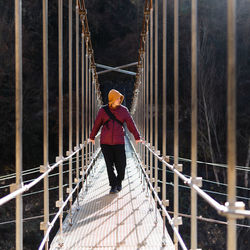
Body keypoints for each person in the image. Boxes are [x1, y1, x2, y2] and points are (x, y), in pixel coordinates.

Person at [89, 89, 142, 194]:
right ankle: (113, 186)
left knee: (121, 165)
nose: (120, 100)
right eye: (118, 98)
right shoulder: (103, 111)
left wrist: (137, 136)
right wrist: (92, 137)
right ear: (112, 99)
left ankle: (119, 181)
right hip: (105, 143)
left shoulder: (124, 110)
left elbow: (130, 124)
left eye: (120, 98)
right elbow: (97, 125)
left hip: (119, 142)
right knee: (109, 165)